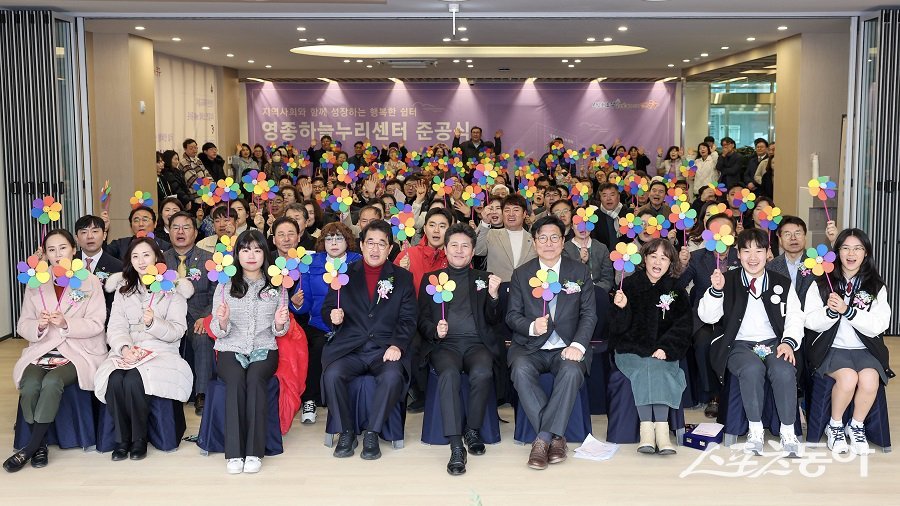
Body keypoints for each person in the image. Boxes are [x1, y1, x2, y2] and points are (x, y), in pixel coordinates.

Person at [3, 230, 107, 473]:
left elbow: (97, 323)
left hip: (78, 349)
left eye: (63, 248)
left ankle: (30, 448)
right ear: (45, 254)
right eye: (51, 250)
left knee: (52, 382)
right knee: (29, 383)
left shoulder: (90, 281)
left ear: (74, 249)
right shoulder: (37, 282)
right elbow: (23, 324)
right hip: (44, 348)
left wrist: (66, 324)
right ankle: (39, 445)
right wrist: (38, 327)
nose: (58, 254)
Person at [698, 228, 807, 457]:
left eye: (759, 250)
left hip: (774, 343)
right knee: (751, 369)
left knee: (784, 370)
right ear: (738, 254)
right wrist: (716, 291)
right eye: (746, 251)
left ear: (768, 253)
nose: (753, 257)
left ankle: (788, 431)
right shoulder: (726, 280)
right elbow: (708, 317)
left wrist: (788, 342)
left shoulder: (781, 282)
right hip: (738, 344)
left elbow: (795, 317)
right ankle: (755, 430)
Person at [506, 215, 597, 470]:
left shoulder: (579, 271)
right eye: (542, 238)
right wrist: (531, 326)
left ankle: (543, 439)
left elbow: (589, 314)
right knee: (520, 370)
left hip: (567, 346)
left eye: (554, 237)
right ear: (534, 242)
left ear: (563, 241)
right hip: (530, 346)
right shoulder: (521, 274)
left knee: (571, 371)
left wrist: (578, 345)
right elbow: (512, 315)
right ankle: (556, 439)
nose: (548, 243)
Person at [321, 220, 417, 460]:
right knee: (332, 374)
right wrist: (333, 316)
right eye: (370, 243)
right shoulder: (343, 275)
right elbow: (328, 308)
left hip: (384, 349)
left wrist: (397, 345)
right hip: (350, 348)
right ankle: (346, 432)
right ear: (361, 245)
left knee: (392, 376)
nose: (375, 249)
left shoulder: (403, 278)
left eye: (381, 244)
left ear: (390, 248)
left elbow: (408, 319)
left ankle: (373, 432)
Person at [94, 238, 193, 462]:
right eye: (135, 256)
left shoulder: (172, 289)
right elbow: (115, 327)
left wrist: (153, 323)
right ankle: (122, 440)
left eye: (146, 255)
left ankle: (139, 438)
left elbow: (178, 330)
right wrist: (124, 348)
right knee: (114, 378)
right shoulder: (123, 290)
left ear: (157, 257)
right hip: (127, 350)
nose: (141, 261)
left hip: (161, 350)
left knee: (133, 380)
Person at [417, 223, 503, 475]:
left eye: (465, 246)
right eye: (454, 245)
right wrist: (435, 330)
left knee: (483, 372)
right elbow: (421, 319)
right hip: (445, 345)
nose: (459, 250)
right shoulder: (431, 279)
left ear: (473, 251)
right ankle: (456, 446)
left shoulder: (484, 279)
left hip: (477, 344)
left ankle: (472, 430)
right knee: (449, 374)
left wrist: (494, 296)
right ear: (445, 249)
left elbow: (494, 319)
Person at [805, 228, 893, 455]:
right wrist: (830, 312)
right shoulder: (822, 283)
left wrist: (849, 311)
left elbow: (880, 324)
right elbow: (810, 321)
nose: (851, 254)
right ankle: (834, 426)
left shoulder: (876, 286)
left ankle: (855, 425)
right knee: (848, 378)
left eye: (857, 248)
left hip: (865, 350)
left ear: (866, 253)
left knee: (870, 380)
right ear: (837, 252)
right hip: (832, 349)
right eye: (845, 248)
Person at [209, 229, 289, 474]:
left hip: (264, 348)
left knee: (255, 380)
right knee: (235, 380)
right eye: (245, 250)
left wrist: (279, 323)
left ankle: (254, 452)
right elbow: (217, 329)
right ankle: (234, 453)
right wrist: (223, 321)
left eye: (257, 250)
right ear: (237, 254)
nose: (251, 255)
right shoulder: (225, 285)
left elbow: (280, 331)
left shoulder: (277, 285)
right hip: (230, 347)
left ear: (265, 253)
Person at [609, 238, 692, 455]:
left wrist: (666, 347)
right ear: (644, 259)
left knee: (656, 366)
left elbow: (683, 326)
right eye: (653, 256)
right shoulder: (628, 285)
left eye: (664, 258)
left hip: (663, 351)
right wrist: (621, 308)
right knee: (646, 365)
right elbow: (617, 328)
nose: (657, 262)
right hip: (631, 350)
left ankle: (661, 431)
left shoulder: (676, 290)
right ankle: (648, 431)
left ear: (671, 263)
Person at [293, 222, 362, 424]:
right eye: (329, 238)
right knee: (316, 350)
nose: (334, 243)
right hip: (319, 325)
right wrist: (296, 303)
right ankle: (310, 400)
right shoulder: (311, 262)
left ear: (347, 241)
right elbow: (304, 305)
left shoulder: (358, 262)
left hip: (351, 325)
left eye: (339, 238)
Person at [677, 213, 740, 417]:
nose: (719, 235)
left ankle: (732, 391)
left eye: (725, 230)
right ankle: (713, 395)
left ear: (733, 234)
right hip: (704, 317)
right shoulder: (697, 257)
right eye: (714, 231)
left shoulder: (742, 256)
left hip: (734, 315)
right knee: (703, 343)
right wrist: (682, 265)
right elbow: (679, 284)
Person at [163, 212, 216, 416]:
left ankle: (202, 394)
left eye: (186, 227)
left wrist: (206, 317)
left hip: (198, 316)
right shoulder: (160, 260)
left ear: (195, 232)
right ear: (169, 232)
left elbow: (216, 293)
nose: (180, 232)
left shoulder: (209, 259)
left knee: (203, 337)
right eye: (175, 227)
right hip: (169, 317)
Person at [474, 194, 536, 282]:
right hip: (498, 287)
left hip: (527, 287)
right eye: (507, 210)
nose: (511, 214)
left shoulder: (534, 239)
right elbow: (478, 251)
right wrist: (485, 223)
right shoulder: (492, 234)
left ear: (524, 214)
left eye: (516, 210)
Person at [75, 214, 123, 318]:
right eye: (84, 232)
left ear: (104, 235)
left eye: (95, 231)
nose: (90, 236)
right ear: (77, 238)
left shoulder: (117, 267)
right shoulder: (68, 263)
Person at [563, 211, 614, 293]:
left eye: (586, 223)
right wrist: (581, 261)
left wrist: (595, 291)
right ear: (572, 226)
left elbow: (608, 278)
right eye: (578, 223)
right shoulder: (565, 248)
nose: (582, 227)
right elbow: (566, 277)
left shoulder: (601, 248)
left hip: (598, 292)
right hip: (575, 294)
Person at [104, 206, 172, 261]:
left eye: (145, 220)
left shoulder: (166, 247)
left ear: (155, 224)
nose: (141, 224)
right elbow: (102, 255)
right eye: (136, 220)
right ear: (131, 225)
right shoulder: (120, 245)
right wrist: (104, 230)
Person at [592, 183, 631, 252]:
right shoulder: (594, 217)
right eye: (604, 196)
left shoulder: (629, 214)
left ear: (618, 196)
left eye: (612, 195)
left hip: (626, 255)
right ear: (600, 198)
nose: (608, 198)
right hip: (603, 255)